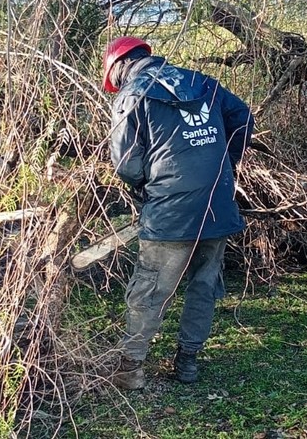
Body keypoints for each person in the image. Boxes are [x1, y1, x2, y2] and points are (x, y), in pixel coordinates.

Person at [102, 35, 254, 390]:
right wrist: (223, 166)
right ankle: (187, 363)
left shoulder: (132, 95)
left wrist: (145, 190)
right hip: (217, 206)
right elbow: (243, 120)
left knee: (150, 289)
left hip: (170, 212)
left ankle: (130, 368)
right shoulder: (202, 82)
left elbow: (125, 164)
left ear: (120, 67)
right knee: (203, 285)